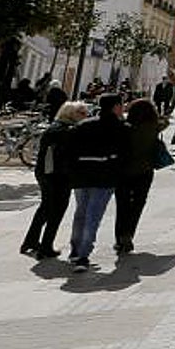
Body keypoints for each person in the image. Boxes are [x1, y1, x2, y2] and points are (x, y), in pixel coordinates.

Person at [65, 93, 131, 272]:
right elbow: (125, 155)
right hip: (105, 178)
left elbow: (69, 150)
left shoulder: (83, 125)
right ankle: (83, 255)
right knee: (93, 216)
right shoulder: (121, 127)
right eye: (121, 105)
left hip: (82, 176)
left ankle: (75, 250)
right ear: (116, 107)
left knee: (80, 214)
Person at [22, 101, 89, 258]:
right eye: (83, 113)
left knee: (45, 207)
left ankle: (30, 240)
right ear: (73, 114)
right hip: (59, 175)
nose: (86, 116)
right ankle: (46, 246)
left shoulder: (54, 127)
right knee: (57, 210)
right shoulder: (68, 131)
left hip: (44, 172)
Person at [114, 98, 165, 255]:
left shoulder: (125, 127)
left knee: (122, 204)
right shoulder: (154, 127)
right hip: (145, 170)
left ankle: (120, 238)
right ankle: (128, 234)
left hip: (123, 171)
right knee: (138, 203)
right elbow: (165, 121)